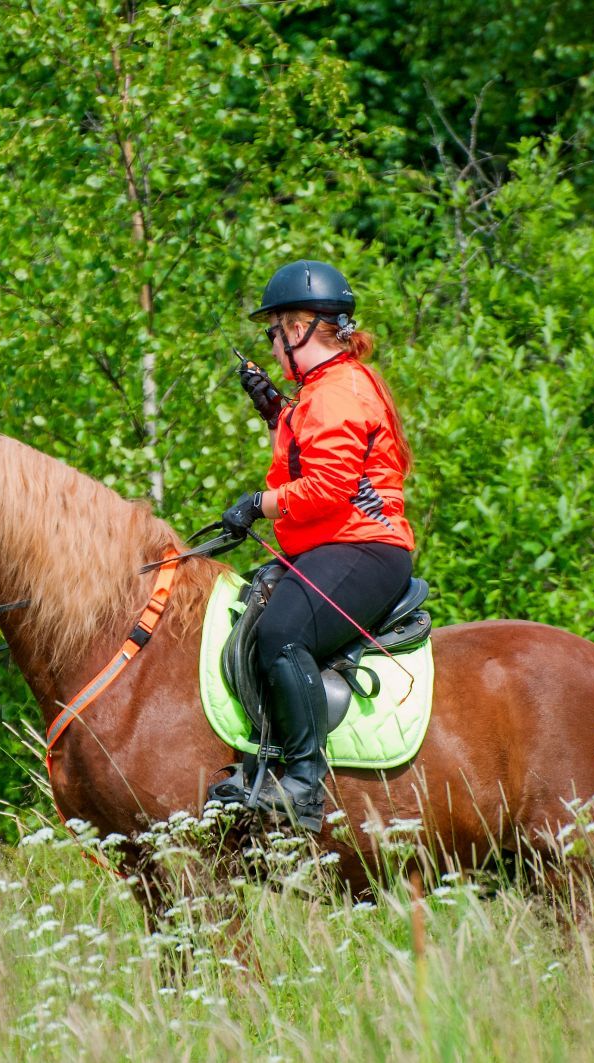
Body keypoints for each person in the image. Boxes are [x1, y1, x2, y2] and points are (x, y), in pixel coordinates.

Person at [208, 260, 416, 831]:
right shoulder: (325, 389)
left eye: (275, 332)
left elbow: (326, 489)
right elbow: (313, 454)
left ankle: (300, 782)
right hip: (336, 544)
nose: (272, 346)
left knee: (281, 632)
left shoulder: (336, 390)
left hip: (362, 547)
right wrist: (278, 411)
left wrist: (256, 503)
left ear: (300, 327)